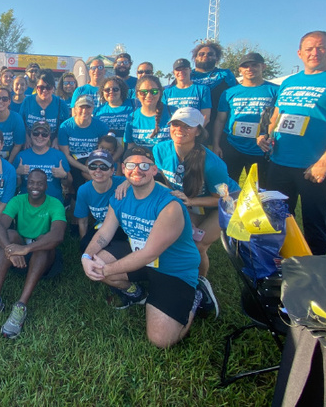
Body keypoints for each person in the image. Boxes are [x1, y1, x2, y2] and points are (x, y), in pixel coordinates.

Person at [82, 148, 203, 349]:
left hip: (173, 268)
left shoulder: (169, 204)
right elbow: (104, 233)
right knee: (96, 261)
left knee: (161, 340)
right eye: (131, 165)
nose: (137, 170)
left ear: (154, 170)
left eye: (144, 165)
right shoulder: (121, 196)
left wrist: (106, 271)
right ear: (123, 169)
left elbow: (150, 253)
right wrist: (87, 255)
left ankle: (196, 295)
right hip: (140, 258)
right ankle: (137, 294)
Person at [257, 31, 326, 255]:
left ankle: (315, 271)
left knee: (315, 222)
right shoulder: (290, 82)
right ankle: (280, 263)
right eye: (309, 48)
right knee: (278, 218)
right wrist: (267, 135)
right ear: (299, 53)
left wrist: (325, 162)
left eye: (321, 47)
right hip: (280, 162)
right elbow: (276, 117)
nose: (315, 52)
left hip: (313, 166)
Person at [153, 107, 240, 317]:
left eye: (187, 126)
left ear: (198, 131)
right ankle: (183, 278)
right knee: (183, 237)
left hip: (225, 201)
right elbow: (164, 180)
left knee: (198, 244)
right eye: (176, 124)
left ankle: (198, 288)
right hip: (191, 199)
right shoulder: (160, 149)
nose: (180, 129)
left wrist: (191, 201)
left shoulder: (212, 163)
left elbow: (223, 197)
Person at [0, 169, 66, 338]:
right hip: (17, 258)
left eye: (39, 183)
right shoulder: (18, 200)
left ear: (46, 185)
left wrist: (26, 249)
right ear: (25, 183)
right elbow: (0, 226)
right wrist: (10, 248)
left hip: (43, 261)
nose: (34, 186)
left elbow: (58, 235)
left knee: (43, 241)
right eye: (31, 182)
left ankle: (21, 306)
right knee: (11, 235)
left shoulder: (55, 203)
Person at [211, 52, 278, 186]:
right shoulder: (229, 93)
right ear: (240, 70)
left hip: (260, 148)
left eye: (254, 65)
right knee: (227, 188)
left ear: (263, 66)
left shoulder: (275, 90)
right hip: (232, 146)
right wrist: (216, 145)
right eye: (245, 66)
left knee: (259, 191)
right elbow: (220, 120)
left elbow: (278, 118)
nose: (250, 69)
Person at [74, 149, 126, 250]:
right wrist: (84, 243)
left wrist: (129, 182)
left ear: (112, 171)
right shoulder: (84, 190)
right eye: (93, 166)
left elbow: (149, 185)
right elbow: (83, 221)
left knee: (114, 248)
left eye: (103, 167)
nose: (98, 170)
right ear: (88, 169)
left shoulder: (123, 184)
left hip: (122, 228)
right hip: (102, 227)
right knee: (86, 245)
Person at [58, 95, 110, 193]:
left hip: (94, 161)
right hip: (74, 162)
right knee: (77, 185)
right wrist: (86, 169)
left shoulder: (101, 126)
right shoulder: (65, 127)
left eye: (88, 107)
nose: (84, 110)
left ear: (93, 109)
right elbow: (66, 155)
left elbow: (110, 147)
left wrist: (95, 168)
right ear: (75, 108)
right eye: (81, 107)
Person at [14, 121, 70, 202]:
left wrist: (64, 176)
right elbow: (15, 185)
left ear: (49, 136)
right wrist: (17, 173)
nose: (40, 137)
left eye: (44, 134)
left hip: (53, 203)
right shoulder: (21, 156)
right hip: (27, 203)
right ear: (31, 135)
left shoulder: (59, 156)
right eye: (36, 133)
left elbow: (68, 184)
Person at [190, 41, 238, 131]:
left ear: (217, 58)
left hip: (219, 127)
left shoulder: (225, 75)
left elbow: (237, 96)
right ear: (195, 58)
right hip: (189, 128)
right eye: (201, 54)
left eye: (210, 54)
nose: (205, 56)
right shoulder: (185, 76)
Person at [123, 74, 171, 152]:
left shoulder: (172, 113)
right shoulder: (132, 117)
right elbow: (131, 146)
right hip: (143, 163)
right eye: (143, 92)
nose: (149, 95)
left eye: (154, 91)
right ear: (137, 94)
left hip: (167, 163)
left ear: (160, 92)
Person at [19, 70, 70, 141]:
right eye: (41, 87)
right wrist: (26, 137)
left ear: (53, 88)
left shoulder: (61, 104)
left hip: (53, 145)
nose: (45, 90)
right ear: (36, 88)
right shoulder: (27, 101)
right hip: (30, 144)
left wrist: (57, 139)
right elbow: (20, 124)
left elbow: (66, 127)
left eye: (48, 87)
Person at [94, 76, 134, 161]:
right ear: (102, 92)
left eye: (115, 89)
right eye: (107, 90)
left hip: (127, 153)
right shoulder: (98, 110)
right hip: (105, 155)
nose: (111, 92)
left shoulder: (132, 106)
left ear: (121, 91)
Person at [163, 58, 211, 123]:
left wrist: (194, 131)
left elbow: (205, 116)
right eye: (178, 70)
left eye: (184, 69)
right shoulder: (167, 92)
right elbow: (163, 115)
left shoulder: (202, 89)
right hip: (173, 130)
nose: (181, 72)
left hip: (194, 130)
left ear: (190, 70)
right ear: (174, 72)